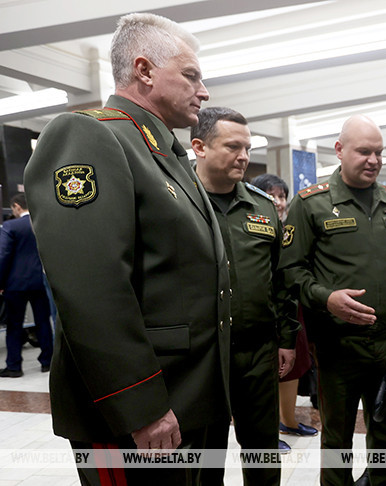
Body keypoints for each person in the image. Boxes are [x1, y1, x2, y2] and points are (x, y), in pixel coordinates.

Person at [24, 13, 231, 485]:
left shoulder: (165, 152)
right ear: (144, 70)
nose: (204, 92)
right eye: (191, 76)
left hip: (188, 400)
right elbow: (90, 288)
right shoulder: (91, 135)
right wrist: (141, 406)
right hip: (136, 414)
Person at [284, 114, 386, 486]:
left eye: (379, 153)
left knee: (385, 437)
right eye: (364, 151)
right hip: (338, 347)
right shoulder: (311, 205)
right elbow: (290, 271)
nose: (374, 160)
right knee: (337, 441)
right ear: (339, 151)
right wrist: (326, 298)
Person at [192, 107, 300, 485]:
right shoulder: (176, 202)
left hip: (257, 352)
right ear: (199, 147)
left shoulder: (262, 207)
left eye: (247, 147)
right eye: (232, 146)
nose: (243, 156)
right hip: (201, 355)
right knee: (204, 457)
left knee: (262, 453)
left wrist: (286, 339)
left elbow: (281, 280)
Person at [250, 173, 319, 445]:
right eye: (272, 195)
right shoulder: (254, 225)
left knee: (294, 366)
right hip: (264, 311)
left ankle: (287, 421)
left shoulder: (290, 227)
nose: (278, 202)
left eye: (281, 196)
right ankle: (267, 431)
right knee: (269, 371)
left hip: (293, 308)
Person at [0, 193, 53, 378]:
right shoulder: (42, 223)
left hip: (16, 284)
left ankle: (14, 366)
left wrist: (0, 282)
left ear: (16, 206)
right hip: (40, 281)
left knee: (14, 325)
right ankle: (48, 361)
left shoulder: (10, 226)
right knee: (43, 322)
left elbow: (3, 255)